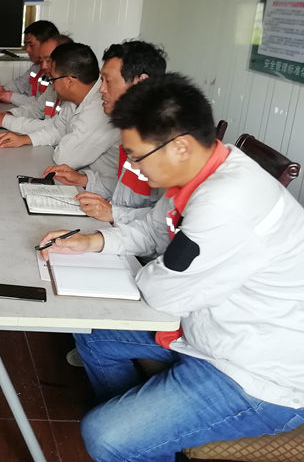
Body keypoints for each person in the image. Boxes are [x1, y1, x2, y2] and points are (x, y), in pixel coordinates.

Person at [38, 74, 304, 461]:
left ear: (180, 146)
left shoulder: (225, 201)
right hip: (208, 334)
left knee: (105, 436)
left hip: (259, 375)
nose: (133, 165)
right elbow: (152, 230)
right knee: (93, 334)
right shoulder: (206, 168)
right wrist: (93, 241)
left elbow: (163, 293)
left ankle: (134, 437)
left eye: (137, 156)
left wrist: (153, 268)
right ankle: (147, 437)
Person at [44, 40, 167, 223]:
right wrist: (85, 180)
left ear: (141, 83)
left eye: (108, 81)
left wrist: (113, 214)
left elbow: (162, 222)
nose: (101, 90)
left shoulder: (166, 140)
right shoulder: (132, 128)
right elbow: (126, 190)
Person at [0, 43, 120, 186]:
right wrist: (26, 139)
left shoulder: (100, 108)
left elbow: (65, 157)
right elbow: (57, 128)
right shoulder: (74, 99)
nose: (52, 86)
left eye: (52, 79)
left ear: (68, 81)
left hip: (101, 189)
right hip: (84, 179)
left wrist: (59, 139)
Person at [0, 34, 72, 128]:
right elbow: (36, 108)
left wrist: (9, 121)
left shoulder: (73, 96)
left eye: (48, 60)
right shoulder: (52, 84)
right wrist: (8, 115)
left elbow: (56, 128)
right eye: (42, 60)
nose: (43, 66)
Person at [0, 20, 59, 105]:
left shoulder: (57, 74)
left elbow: (41, 104)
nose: (27, 49)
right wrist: (1, 91)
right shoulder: (36, 66)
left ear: (46, 44)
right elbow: (20, 84)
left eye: (31, 45)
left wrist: (9, 96)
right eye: (26, 45)